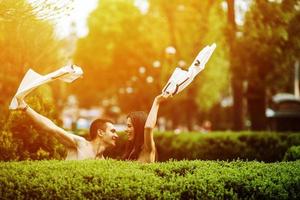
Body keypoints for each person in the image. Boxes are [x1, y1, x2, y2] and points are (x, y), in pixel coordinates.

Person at [15, 97, 118, 160]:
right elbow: (52, 128)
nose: (116, 135)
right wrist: (25, 108)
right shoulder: (81, 144)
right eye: (112, 131)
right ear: (100, 132)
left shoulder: (102, 161)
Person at [123, 94, 170, 163]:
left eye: (129, 126)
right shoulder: (132, 148)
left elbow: (148, 127)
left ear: (138, 127)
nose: (126, 130)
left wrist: (156, 102)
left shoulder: (147, 147)